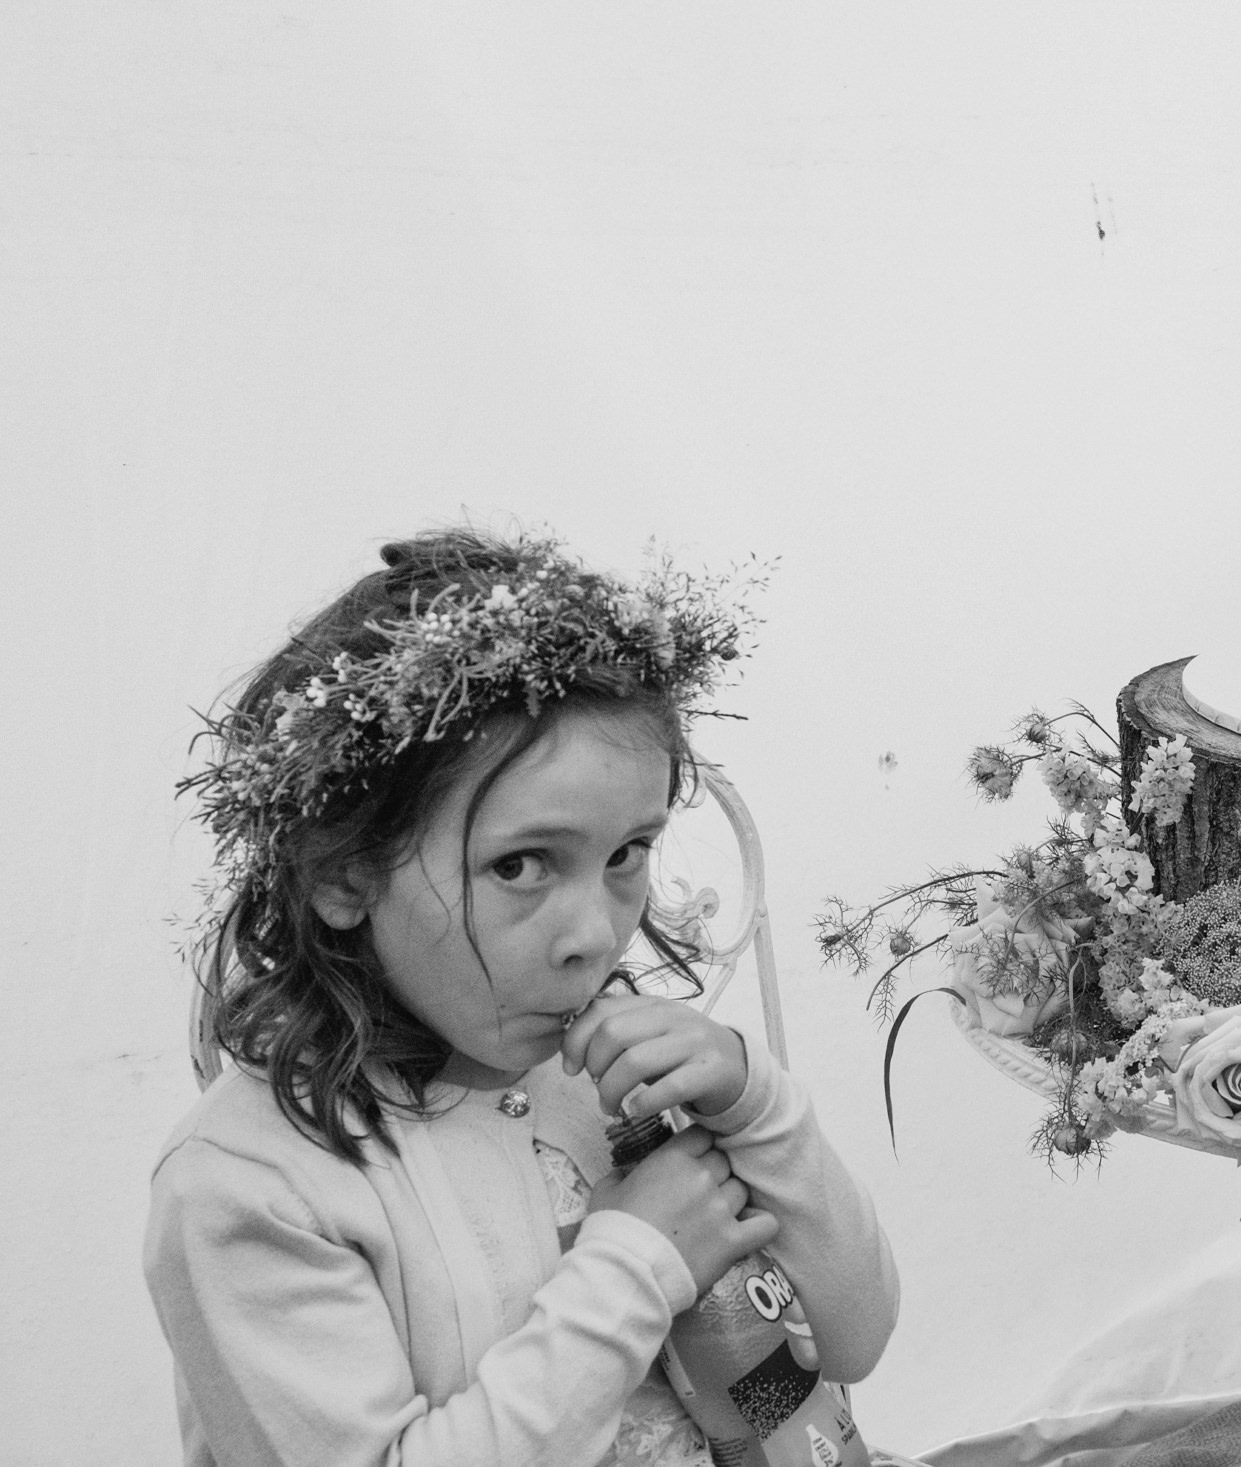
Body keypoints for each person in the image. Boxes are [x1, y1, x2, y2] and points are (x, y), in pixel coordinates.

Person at [145, 529, 898, 1466]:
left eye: (628, 852)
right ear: (341, 872)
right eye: (521, 864)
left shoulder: (614, 1077)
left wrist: (760, 1108)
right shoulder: (252, 1187)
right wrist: (636, 1263)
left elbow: (855, 1339)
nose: (596, 932)